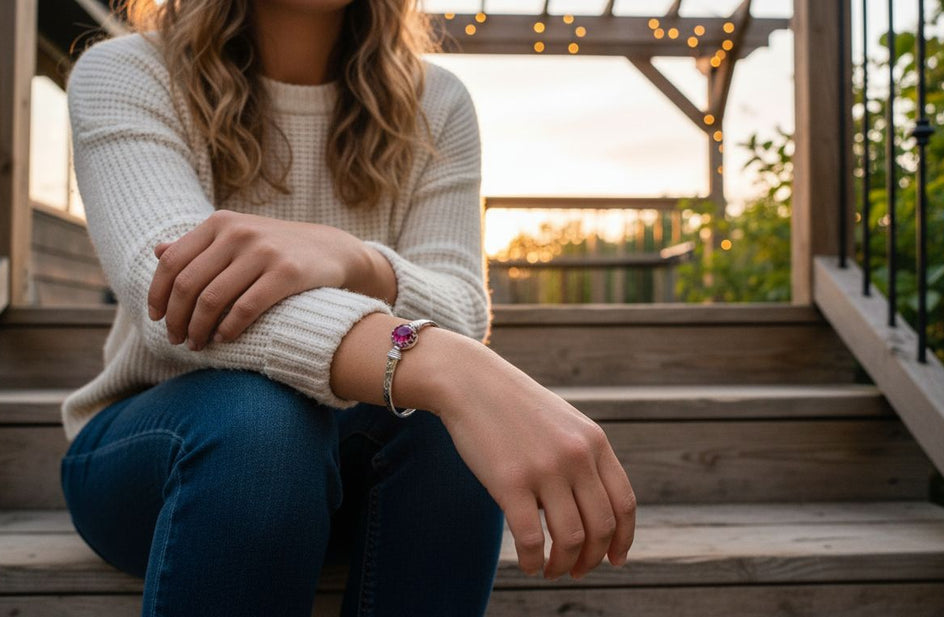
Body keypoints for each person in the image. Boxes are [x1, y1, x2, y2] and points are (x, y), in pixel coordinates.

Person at [58, 1, 637, 615]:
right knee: (264, 426)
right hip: (160, 454)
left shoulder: (435, 102)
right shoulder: (128, 70)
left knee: (445, 430)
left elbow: (462, 307)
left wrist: (357, 260)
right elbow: (179, 297)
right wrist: (452, 368)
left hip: (356, 463)